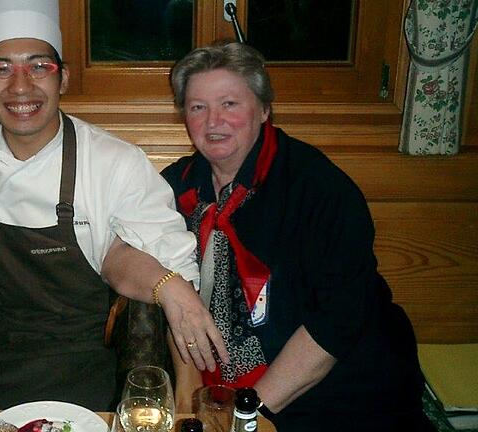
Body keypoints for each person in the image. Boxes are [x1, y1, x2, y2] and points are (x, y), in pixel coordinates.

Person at [0, 0, 227, 412]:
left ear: (63, 79)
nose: (20, 86)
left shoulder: (113, 161)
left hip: (89, 357)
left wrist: (187, 394)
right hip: (1, 353)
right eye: (1, 68)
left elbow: (174, 273)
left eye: (39, 66)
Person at [162, 41, 434, 431]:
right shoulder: (179, 185)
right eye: (197, 107)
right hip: (223, 395)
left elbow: (337, 323)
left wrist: (246, 418)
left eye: (230, 104)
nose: (212, 121)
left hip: (342, 391)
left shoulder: (319, 188)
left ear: (265, 109)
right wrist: (168, 287)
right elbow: (124, 251)